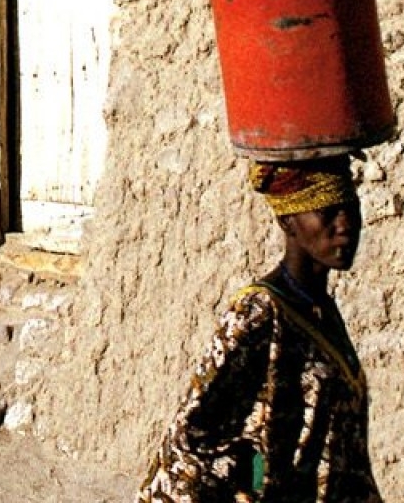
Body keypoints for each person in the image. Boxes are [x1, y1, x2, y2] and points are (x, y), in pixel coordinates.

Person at [135, 157, 379, 502]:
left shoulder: (321, 311)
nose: (346, 225)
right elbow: (191, 440)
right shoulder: (261, 312)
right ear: (288, 221)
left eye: (351, 210)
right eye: (327, 212)